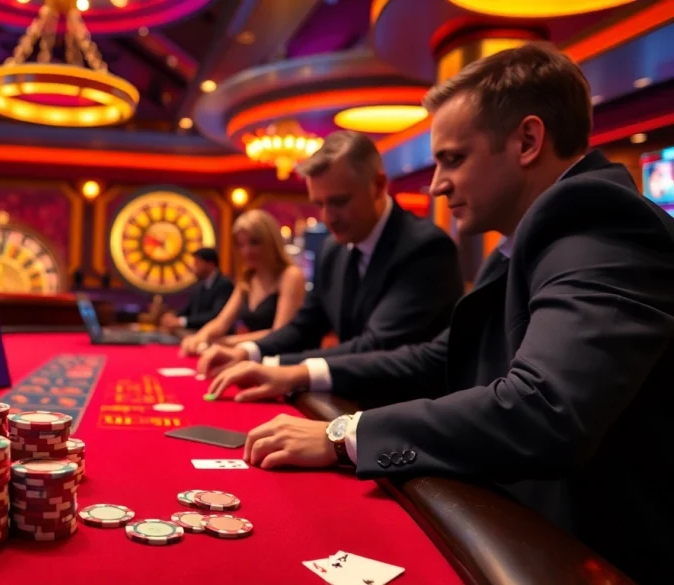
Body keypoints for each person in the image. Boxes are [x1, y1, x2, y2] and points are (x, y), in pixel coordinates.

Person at [226, 43, 672, 585]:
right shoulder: (528, 239)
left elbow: (543, 408)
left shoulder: (597, 224)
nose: (436, 184)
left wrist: (344, 434)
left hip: (598, 555)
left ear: (528, 141)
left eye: (453, 159)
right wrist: (298, 373)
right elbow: (441, 356)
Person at [197, 130, 463, 382]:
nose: (328, 218)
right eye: (320, 204)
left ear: (378, 186)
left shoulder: (425, 247)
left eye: (339, 202)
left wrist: (273, 366)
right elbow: (304, 328)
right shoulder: (332, 250)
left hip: (404, 413)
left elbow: (376, 345)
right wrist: (248, 352)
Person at [178, 209, 306, 356]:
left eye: (254, 243)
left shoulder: (291, 275)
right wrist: (200, 337)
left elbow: (280, 332)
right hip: (253, 357)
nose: (246, 251)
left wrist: (226, 342)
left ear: (271, 241)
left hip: (283, 361)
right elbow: (221, 322)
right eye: (241, 245)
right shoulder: (247, 278)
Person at [158, 247, 234, 332]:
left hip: (216, 336)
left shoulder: (224, 285)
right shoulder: (199, 286)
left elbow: (216, 315)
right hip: (195, 333)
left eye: (197, 263)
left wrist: (181, 321)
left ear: (210, 264)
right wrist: (173, 317)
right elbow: (189, 310)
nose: (193, 268)